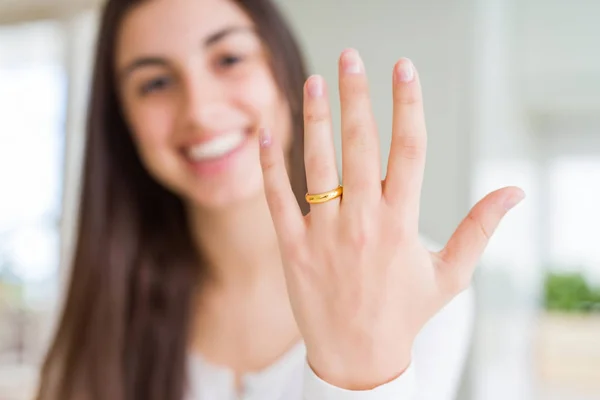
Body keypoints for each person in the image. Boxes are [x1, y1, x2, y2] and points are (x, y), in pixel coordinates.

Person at [36, 0, 524, 399]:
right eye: (155, 83)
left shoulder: (409, 280)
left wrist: (360, 375)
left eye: (229, 59)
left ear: (284, 76)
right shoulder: (99, 305)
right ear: (123, 125)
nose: (200, 110)